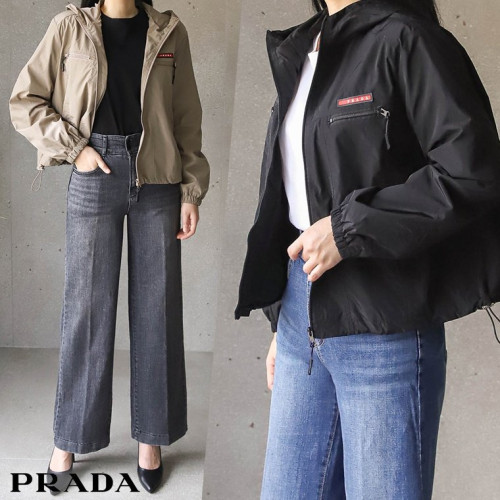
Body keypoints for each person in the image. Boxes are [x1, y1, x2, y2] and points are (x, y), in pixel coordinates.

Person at [234, 0, 500, 498]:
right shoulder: (305, 46)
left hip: (384, 325)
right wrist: (283, 316)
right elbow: (291, 195)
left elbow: (472, 171)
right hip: (301, 315)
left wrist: (348, 228)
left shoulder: (407, 40)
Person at [9, 0, 209, 494]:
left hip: (157, 180)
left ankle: (152, 438)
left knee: (158, 310)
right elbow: (25, 100)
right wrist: (75, 149)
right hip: (94, 173)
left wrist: (190, 191)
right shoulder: (69, 26)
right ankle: (69, 438)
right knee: (86, 310)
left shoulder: (169, 31)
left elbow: (186, 117)